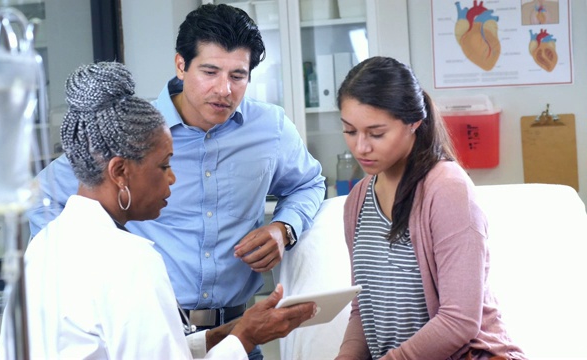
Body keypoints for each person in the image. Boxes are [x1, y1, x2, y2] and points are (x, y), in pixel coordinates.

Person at [27, 4, 325, 359]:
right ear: (181, 65)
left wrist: (283, 228)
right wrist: (97, 268)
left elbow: (309, 184)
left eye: (238, 75)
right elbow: (42, 197)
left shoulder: (271, 128)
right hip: (147, 325)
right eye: (210, 71)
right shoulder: (135, 134)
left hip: (236, 330)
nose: (224, 90)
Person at [333, 56, 527, 360]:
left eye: (376, 133)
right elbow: (363, 309)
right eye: (350, 131)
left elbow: (459, 321)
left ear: (414, 122)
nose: (361, 147)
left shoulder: (447, 189)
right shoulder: (357, 200)